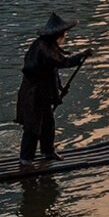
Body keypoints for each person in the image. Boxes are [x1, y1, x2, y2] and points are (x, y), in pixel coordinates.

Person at [15, 12, 84, 166]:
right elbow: (63, 62)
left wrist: (59, 88)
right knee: (33, 126)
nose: (65, 35)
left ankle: (47, 151)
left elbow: (52, 70)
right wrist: (82, 56)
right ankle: (26, 158)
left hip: (43, 92)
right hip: (34, 93)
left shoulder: (48, 45)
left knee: (48, 123)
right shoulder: (43, 47)